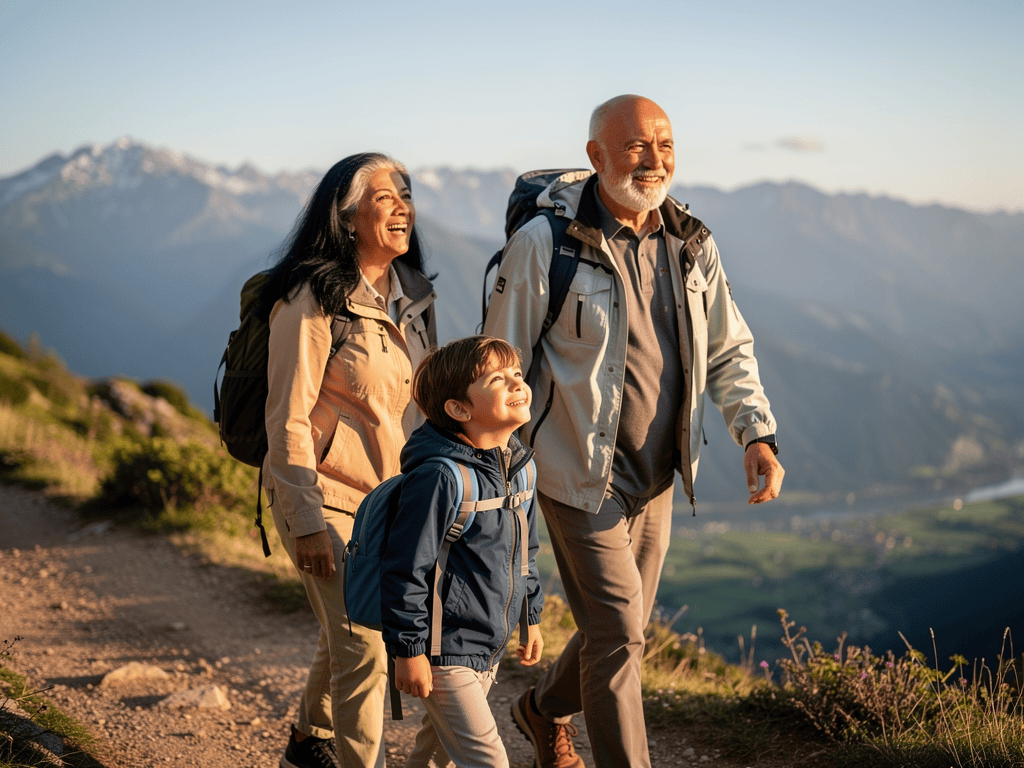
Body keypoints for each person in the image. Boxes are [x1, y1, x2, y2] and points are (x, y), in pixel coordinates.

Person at [483, 94, 785, 768]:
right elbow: (499, 361)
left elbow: (728, 349)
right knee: (618, 635)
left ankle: (538, 710)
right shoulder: (544, 246)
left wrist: (756, 434)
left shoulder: (691, 242)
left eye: (665, 145)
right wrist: (494, 475)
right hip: (571, 475)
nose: (654, 160)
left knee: (621, 629)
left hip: (656, 477)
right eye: (636, 146)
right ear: (596, 157)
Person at [259, 152, 437, 768]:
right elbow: (285, 415)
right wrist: (305, 518)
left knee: (348, 631)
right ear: (346, 216)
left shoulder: (413, 295)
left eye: (405, 196)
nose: (402, 208)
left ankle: (309, 744)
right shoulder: (312, 297)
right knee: (365, 640)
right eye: (384, 198)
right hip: (321, 492)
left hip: (384, 499)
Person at [380, 335, 545, 768]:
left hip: (487, 644)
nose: (516, 384)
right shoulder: (439, 477)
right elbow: (405, 569)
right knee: (489, 761)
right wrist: (409, 650)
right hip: (442, 649)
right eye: (497, 378)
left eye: (516, 374)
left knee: (435, 756)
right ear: (460, 409)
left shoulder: (520, 468)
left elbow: (526, 549)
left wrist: (530, 616)